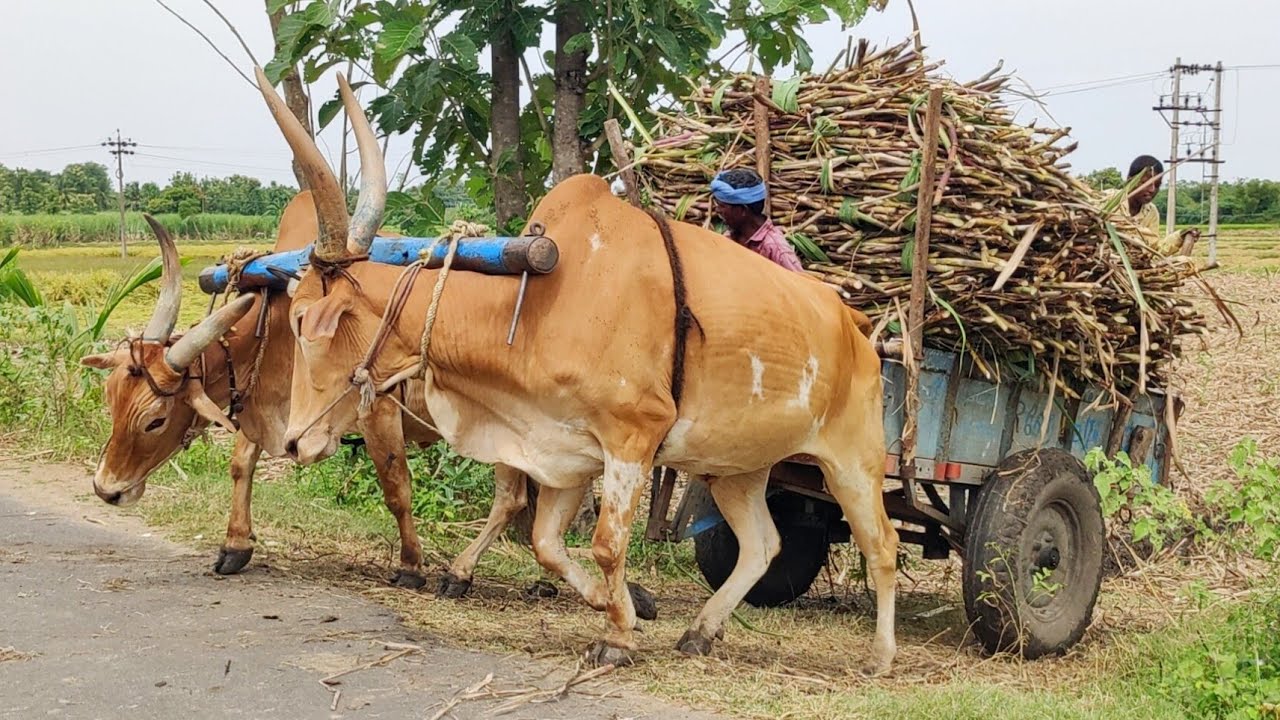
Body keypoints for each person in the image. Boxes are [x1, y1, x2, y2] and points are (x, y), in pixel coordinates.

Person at [709, 168, 805, 272]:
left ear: (742, 210)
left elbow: (799, 285)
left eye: (721, 205)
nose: (717, 210)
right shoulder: (731, 237)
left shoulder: (776, 250)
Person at [1106, 155, 1200, 257]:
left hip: (1132, 267)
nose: (1152, 190)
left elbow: (1154, 249)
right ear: (1130, 180)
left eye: (1157, 185)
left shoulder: (1151, 212)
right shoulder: (1107, 200)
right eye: (1147, 183)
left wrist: (1180, 236)